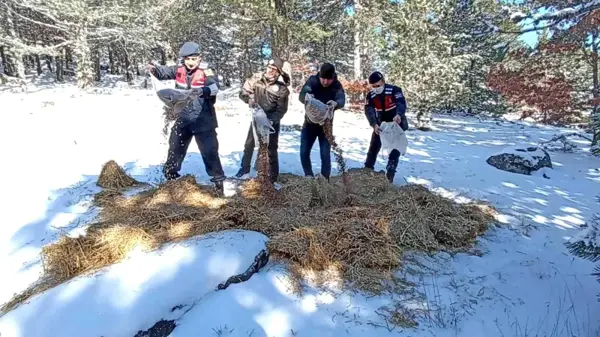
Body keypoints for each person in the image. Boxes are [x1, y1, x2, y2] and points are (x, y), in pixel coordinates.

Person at [147, 41, 226, 194]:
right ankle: (171, 179)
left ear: (199, 58)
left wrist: (203, 90)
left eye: (194, 59)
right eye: (188, 59)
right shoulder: (179, 70)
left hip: (203, 121)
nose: (190, 62)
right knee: (175, 148)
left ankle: (218, 184)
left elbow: (215, 87)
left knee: (210, 152)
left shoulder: (207, 71)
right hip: (183, 119)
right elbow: (164, 72)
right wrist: (154, 69)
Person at [235, 57, 291, 183]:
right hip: (256, 117)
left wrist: (271, 121)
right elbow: (243, 92)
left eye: (274, 69)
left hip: (271, 122)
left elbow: (281, 109)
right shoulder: (256, 80)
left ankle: (273, 177)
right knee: (249, 144)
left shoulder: (282, 89)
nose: (270, 71)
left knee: (271, 148)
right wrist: (248, 99)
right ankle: (244, 170)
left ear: (278, 72)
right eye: (269, 67)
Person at [298, 63, 346, 180]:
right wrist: (307, 97)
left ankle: (325, 180)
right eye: (323, 78)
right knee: (304, 151)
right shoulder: (313, 81)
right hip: (309, 124)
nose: (325, 82)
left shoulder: (336, 85)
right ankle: (308, 175)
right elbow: (302, 95)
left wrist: (336, 103)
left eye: (328, 79)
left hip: (326, 126)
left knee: (325, 154)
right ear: (319, 75)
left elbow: (341, 98)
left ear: (333, 77)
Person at [363, 71, 408, 183]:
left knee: (395, 150)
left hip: (396, 123)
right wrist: (374, 124)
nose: (376, 88)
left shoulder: (394, 90)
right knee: (373, 149)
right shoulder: (371, 95)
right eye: (373, 86)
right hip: (381, 125)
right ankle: (366, 172)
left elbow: (401, 103)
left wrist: (399, 114)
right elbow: (369, 111)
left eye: (378, 86)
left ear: (383, 81)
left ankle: (390, 176)